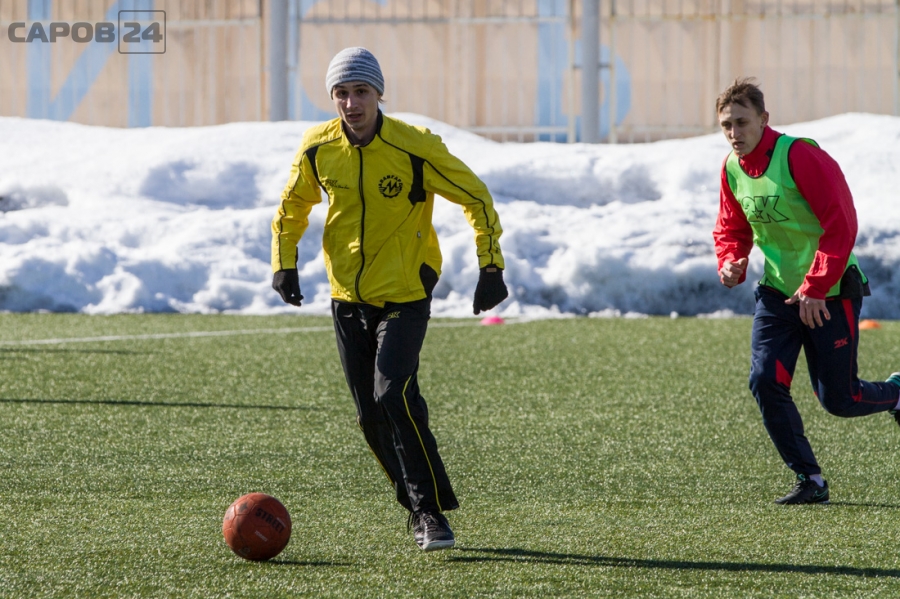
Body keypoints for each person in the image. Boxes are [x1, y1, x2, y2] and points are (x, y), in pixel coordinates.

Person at [270, 47, 508, 550]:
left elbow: (476, 196)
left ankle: (429, 512)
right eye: (341, 93)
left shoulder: (414, 146)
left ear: (379, 94)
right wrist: (283, 262)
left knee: (393, 393)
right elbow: (292, 207)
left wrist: (491, 266)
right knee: (370, 415)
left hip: (406, 291)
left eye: (361, 91)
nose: (351, 103)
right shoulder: (318, 148)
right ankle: (418, 504)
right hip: (346, 296)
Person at [713, 77, 900, 505]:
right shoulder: (731, 168)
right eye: (726, 125)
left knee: (841, 400)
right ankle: (810, 479)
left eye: (742, 122)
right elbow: (731, 227)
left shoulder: (800, 155)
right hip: (777, 292)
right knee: (764, 380)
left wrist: (815, 286)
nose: (734, 133)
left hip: (829, 291)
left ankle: (897, 393)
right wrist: (731, 260)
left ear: (764, 119)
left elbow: (841, 224)